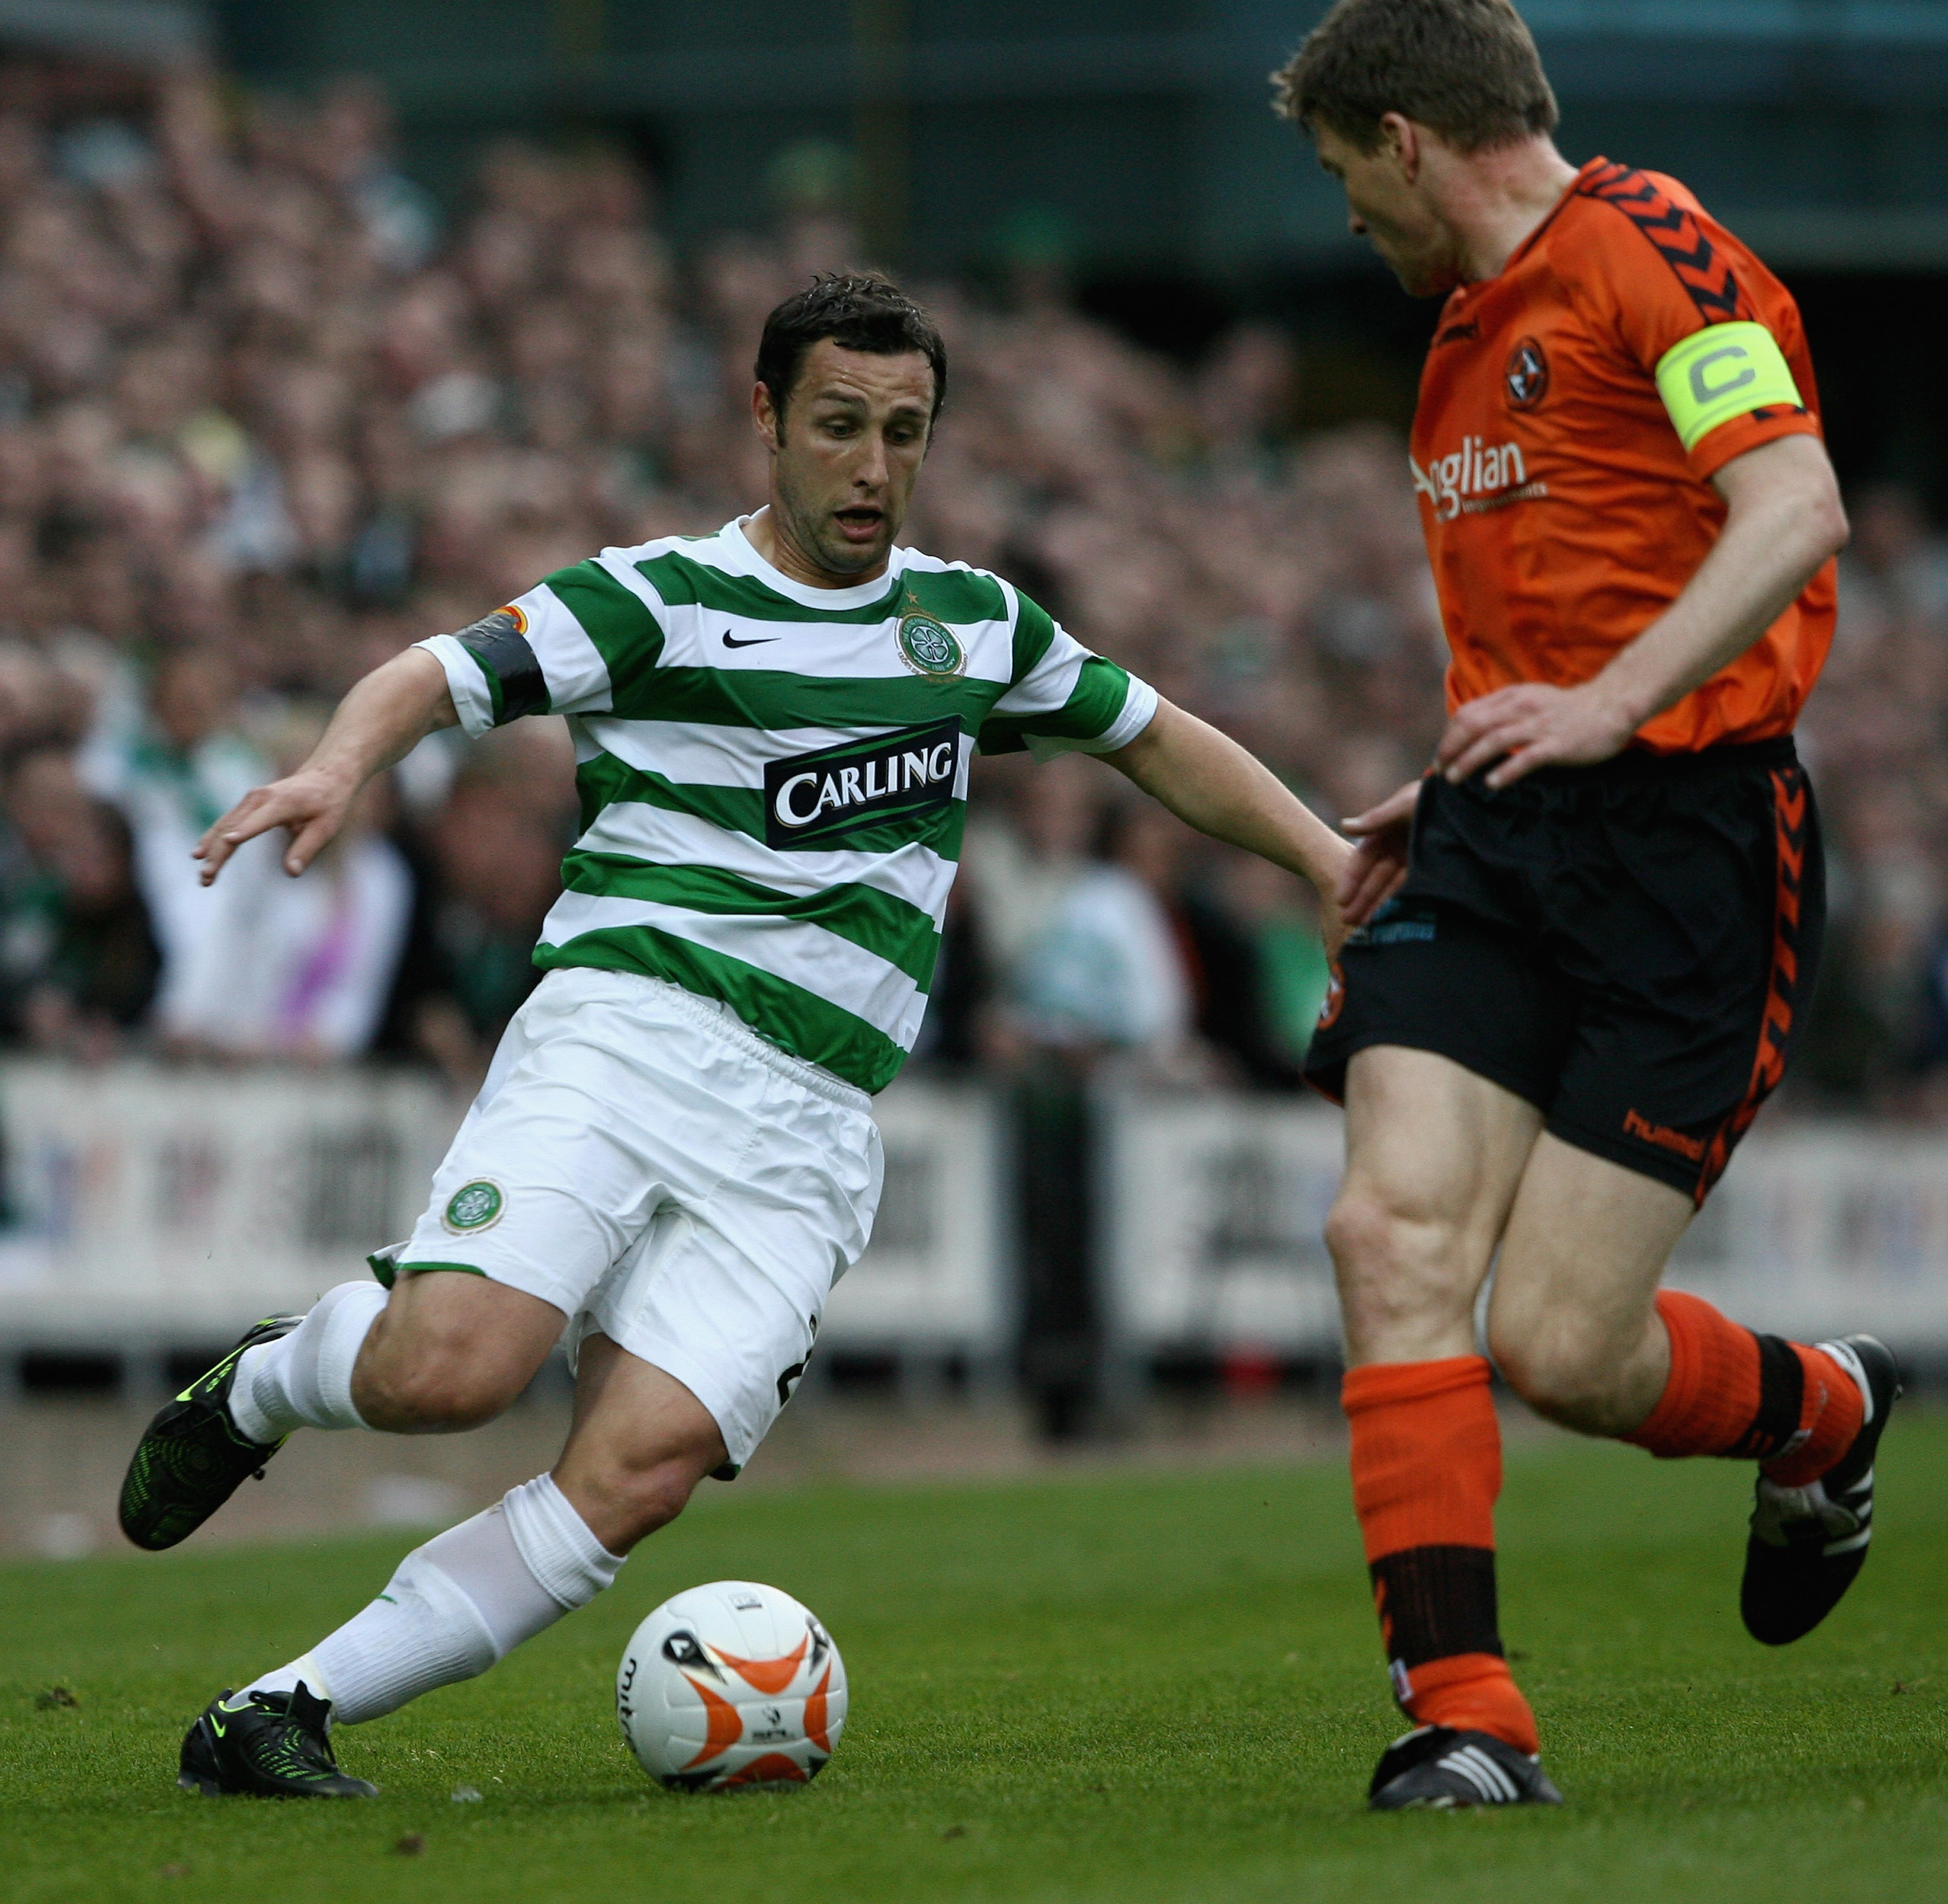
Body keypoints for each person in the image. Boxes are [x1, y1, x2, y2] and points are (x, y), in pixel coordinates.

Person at [116, 273, 1352, 1799]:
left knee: (635, 1472)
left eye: (905, 432)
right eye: (839, 425)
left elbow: (1153, 736)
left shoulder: (966, 627)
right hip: (629, 1034)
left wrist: (1325, 859)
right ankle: (258, 1386)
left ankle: (282, 1708)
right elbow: (439, 671)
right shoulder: (663, 599)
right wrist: (336, 763)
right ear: (766, 417)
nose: (874, 467)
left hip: (812, 1122)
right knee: (454, 1367)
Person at [1273, 0, 1896, 1812]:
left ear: (1406, 141)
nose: (1347, 217)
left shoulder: (1652, 249)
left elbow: (1793, 505)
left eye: (1346, 173)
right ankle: (1464, 1715)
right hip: (1495, 834)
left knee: (1560, 1346)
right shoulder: (1466, 332)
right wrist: (1479, 759)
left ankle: (1823, 1410)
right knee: (1388, 1233)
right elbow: (1562, 603)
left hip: (1693, 852)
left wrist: (1614, 706)